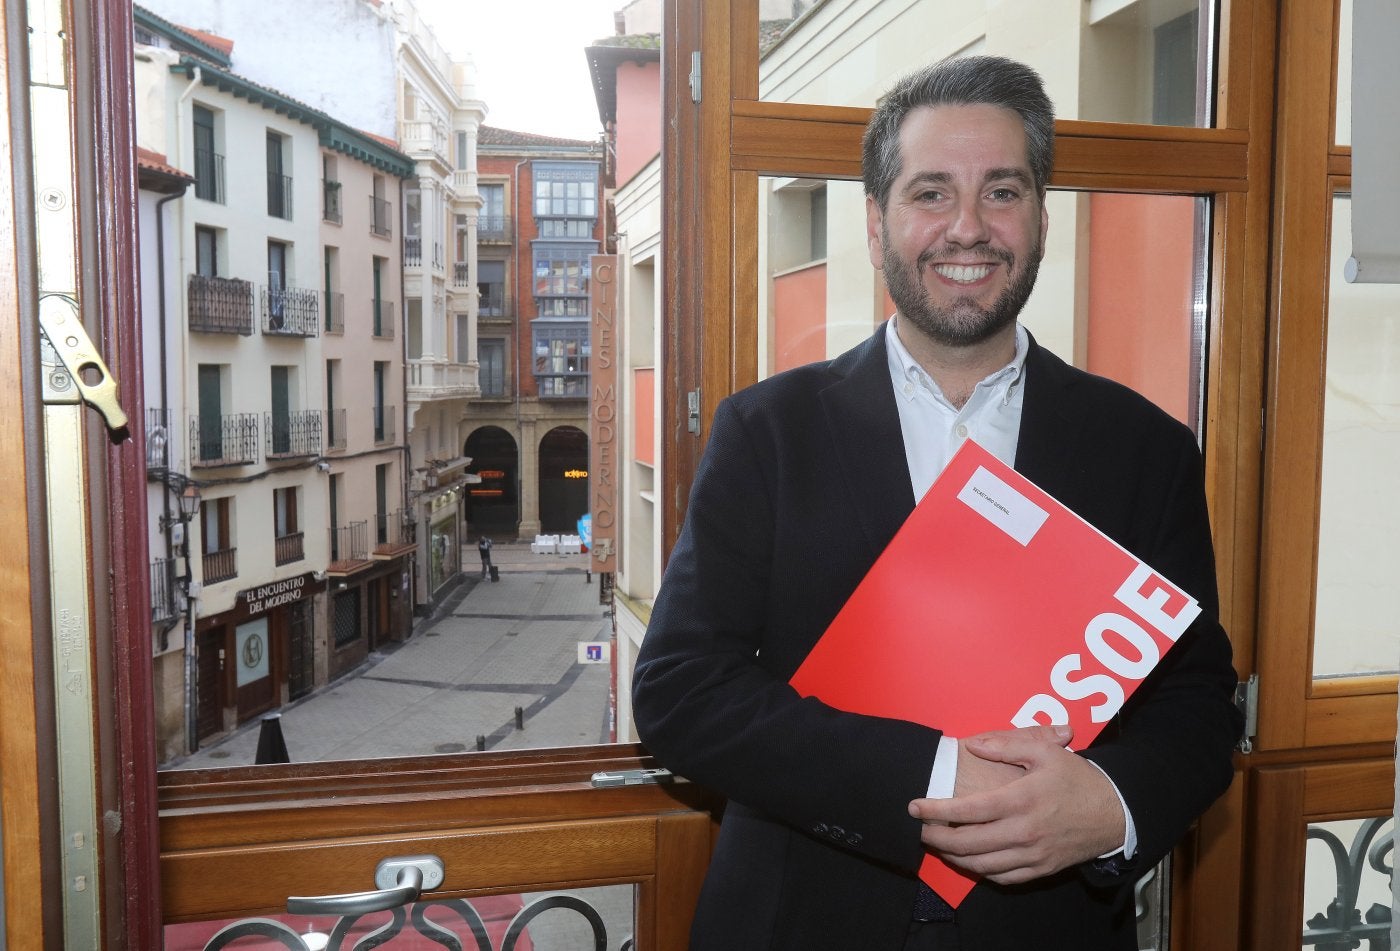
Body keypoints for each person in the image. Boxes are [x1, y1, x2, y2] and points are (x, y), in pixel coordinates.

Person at [631, 55, 1242, 951]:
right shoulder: (766, 431)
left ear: (1039, 219)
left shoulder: (1146, 450)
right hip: (795, 924)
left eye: (1001, 191)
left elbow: (1197, 703)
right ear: (877, 225)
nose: (968, 228)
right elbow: (682, 688)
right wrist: (934, 774)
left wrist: (1108, 805)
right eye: (930, 193)